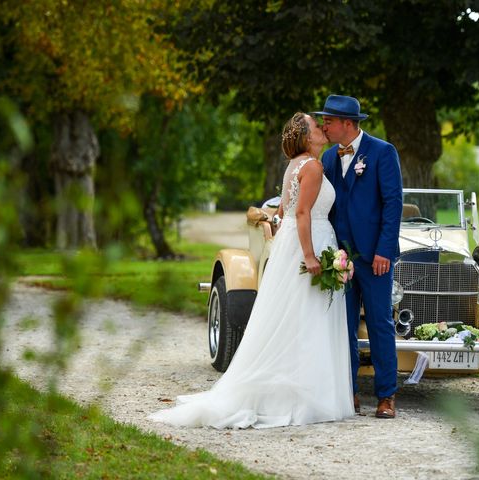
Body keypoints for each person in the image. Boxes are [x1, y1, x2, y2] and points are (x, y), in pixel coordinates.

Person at [149, 112, 354, 429]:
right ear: (305, 135)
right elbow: (300, 214)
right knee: (306, 317)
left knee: (294, 318)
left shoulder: (294, 166)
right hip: (308, 243)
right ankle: (304, 397)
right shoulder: (312, 166)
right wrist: (312, 256)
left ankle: (294, 390)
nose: (322, 128)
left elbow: (282, 212)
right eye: (316, 126)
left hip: (297, 244)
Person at [314, 95, 403, 419]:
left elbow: (392, 204)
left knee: (380, 324)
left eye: (329, 121)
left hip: (374, 257)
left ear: (347, 124)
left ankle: (386, 396)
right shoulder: (326, 157)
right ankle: (347, 392)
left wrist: (384, 250)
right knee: (344, 326)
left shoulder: (382, 152)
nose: (325, 125)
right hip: (339, 258)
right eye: (323, 121)